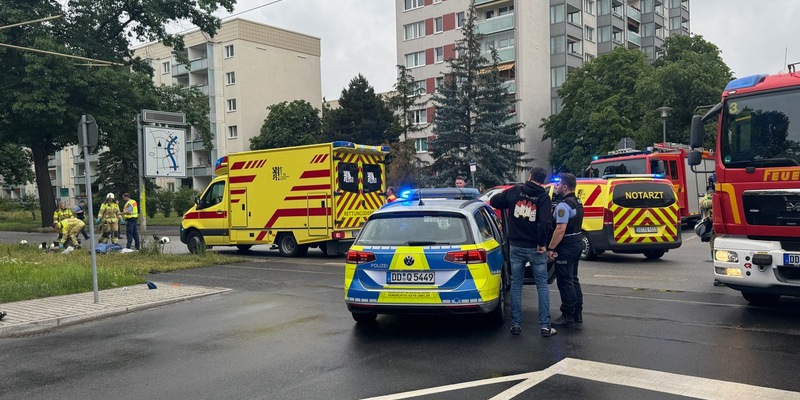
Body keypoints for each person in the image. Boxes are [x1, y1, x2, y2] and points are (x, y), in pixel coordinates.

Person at [490, 166, 556, 337]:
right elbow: (544, 223)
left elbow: (495, 201)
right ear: (542, 180)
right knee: (542, 285)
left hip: (516, 246)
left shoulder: (515, 191)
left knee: (517, 285)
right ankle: (545, 326)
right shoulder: (543, 197)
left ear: (530, 176)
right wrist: (542, 244)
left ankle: (516, 325)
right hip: (536, 247)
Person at [547, 173, 585, 328]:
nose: (556, 188)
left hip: (566, 246)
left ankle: (567, 315)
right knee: (573, 279)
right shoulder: (577, 202)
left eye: (558, 185)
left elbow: (560, 229)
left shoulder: (563, 206)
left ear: (564, 187)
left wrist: (551, 248)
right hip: (577, 243)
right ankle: (577, 313)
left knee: (565, 281)